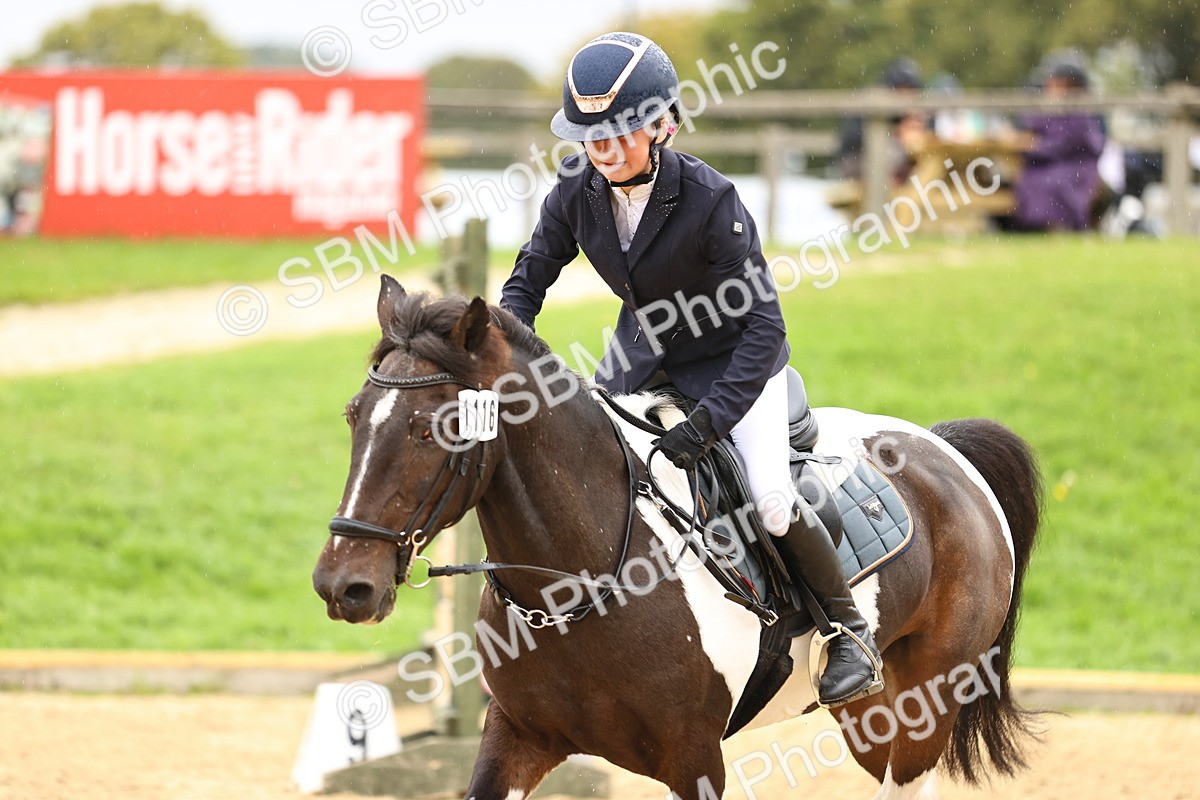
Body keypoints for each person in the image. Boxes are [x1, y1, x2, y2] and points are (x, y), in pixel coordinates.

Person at [499, 32, 883, 708]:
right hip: (638, 365)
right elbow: (530, 279)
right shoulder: (576, 193)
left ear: (661, 125)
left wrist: (710, 423)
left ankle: (849, 630)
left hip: (737, 370)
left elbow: (765, 329)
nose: (602, 151)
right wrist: (502, 345)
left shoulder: (711, 199)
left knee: (768, 498)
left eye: (617, 135)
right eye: (590, 137)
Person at [1007, 63, 1106, 231]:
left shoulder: (1080, 112)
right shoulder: (1049, 109)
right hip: (1048, 165)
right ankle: (1033, 228)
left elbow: (1067, 143)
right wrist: (1022, 137)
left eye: (1056, 84)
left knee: (1051, 183)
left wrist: (1035, 146)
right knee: (1021, 179)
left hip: (1075, 166)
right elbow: (1033, 127)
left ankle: (1058, 227)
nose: (1050, 88)